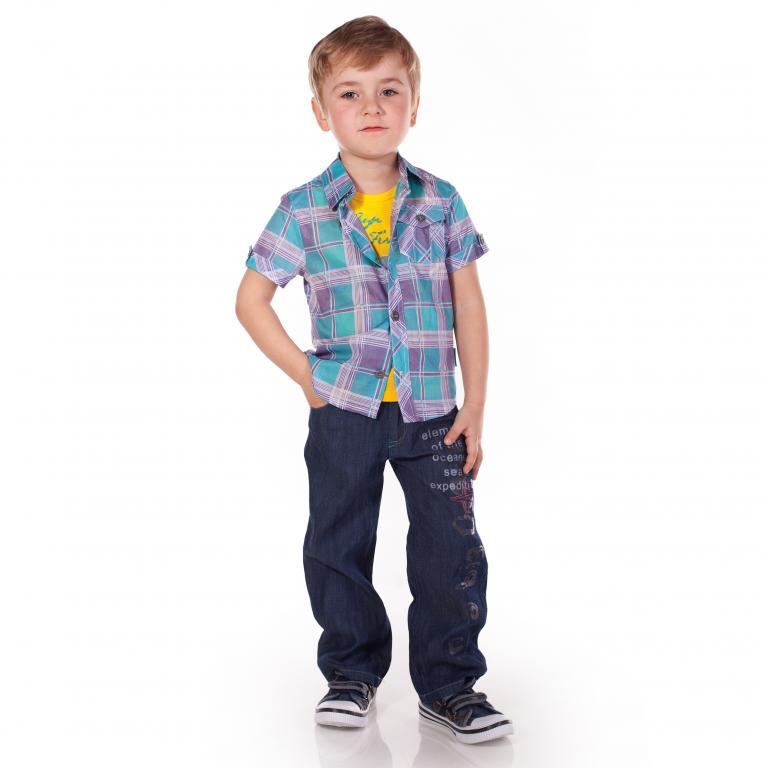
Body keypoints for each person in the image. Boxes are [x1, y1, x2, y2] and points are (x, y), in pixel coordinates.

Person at [235, 15, 513, 744]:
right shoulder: (302, 210)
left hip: (434, 413)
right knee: (337, 543)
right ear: (321, 111)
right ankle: (351, 674)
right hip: (344, 410)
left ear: (414, 105)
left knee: (452, 549)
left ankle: (450, 685)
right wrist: (307, 377)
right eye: (350, 93)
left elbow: (469, 306)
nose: (371, 108)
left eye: (389, 90)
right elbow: (251, 301)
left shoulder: (440, 201)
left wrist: (476, 405)